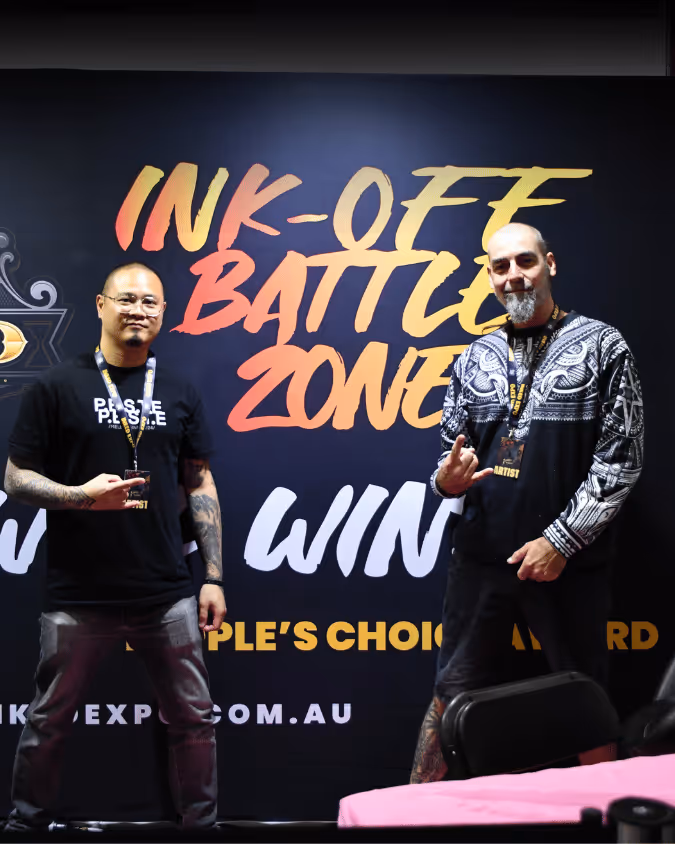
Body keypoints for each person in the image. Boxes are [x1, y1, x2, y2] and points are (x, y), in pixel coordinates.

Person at [410, 223, 644, 783]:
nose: (513, 275)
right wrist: (446, 482)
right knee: (451, 690)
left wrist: (560, 541)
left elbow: (622, 459)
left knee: (584, 697)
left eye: (525, 261)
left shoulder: (603, 347)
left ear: (550, 264)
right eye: (500, 266)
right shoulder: (474, 356)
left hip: (567, 561)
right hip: (483, 556)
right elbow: (450, 454)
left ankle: (613, 824)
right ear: (489, 276)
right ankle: (408, 820)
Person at [2, 263, 226, 830]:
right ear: (101, 306)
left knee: (194, 718)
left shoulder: (178, 390)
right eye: (126, 300)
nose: (138, 311)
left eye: (150, 303)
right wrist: (80, 497)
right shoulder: (57, 385)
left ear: (163, 314)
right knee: (49, 719)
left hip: (167, 591)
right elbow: (15, 477)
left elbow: (198, 481)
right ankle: (26, 825)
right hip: (79, 594)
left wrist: (214, 576)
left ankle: (203, 826)